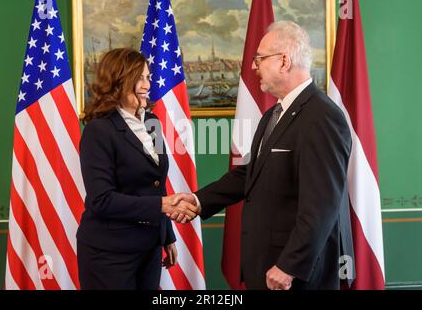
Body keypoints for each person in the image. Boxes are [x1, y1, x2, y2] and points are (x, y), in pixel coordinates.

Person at [175, 21, 354, 290]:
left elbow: (322, 205)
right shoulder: (274, 114)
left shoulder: (322, 117)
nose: (252, 66)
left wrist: (291, 265)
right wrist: (199, 200)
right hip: (267, 265)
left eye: (259, 58)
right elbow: (252, 173)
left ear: (284, 61)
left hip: (295, 275)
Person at [76, 48, 198, 290]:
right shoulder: (99, 130)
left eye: (148, 77)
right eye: (139, 78)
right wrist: (163, 205)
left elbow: (156, 185)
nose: (146, 85)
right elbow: (101, 200)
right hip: (108, 254)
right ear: (118, 81)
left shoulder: (152, 122)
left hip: (150, 247)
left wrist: (167, 236)